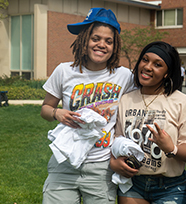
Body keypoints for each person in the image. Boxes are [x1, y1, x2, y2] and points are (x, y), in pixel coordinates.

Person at [40, 8, 135, 204]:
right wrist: (57, 113)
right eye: (96, 38)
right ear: (84, 40)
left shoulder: (124, 76)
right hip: (64, 163)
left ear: (115, 46)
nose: (102, 45)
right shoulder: (64, 71)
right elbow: (45, 109)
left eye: (108, 41)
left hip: (101, 167)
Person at [110, 41, 186, 204]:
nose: (147, 67)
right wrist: (114, 162)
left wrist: (171, 148)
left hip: (170, 187)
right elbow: (118, 140)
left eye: (158, 64)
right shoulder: (126, 99)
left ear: (167, 73)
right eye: (145, 60)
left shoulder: (182, 102)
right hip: (132, 185)